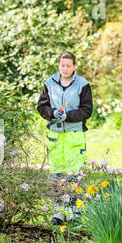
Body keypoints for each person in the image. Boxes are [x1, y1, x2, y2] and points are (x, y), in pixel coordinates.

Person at [37, 52, 93, 225]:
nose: (65, 68)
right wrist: (52, 113)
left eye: (69, 65)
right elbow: (41, 106)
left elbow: (86, 110)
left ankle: (75, 210)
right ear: (59, 66)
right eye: (62, 65)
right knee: (56, 174)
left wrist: (67, 116)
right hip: (54, 136)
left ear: (74, 66)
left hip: (74, 136)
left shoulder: (83, 85)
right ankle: (59, 211)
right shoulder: (49, 83)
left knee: (75, 174)